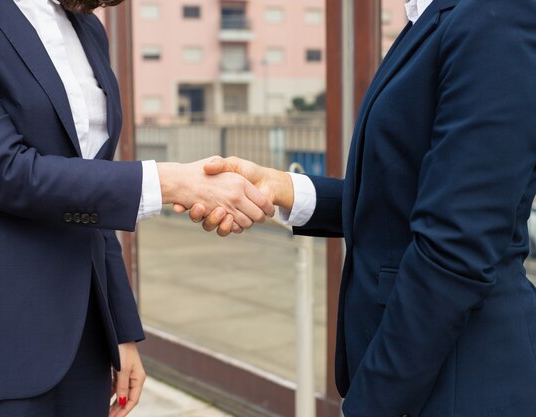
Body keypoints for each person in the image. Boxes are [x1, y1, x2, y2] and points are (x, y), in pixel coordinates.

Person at [0, 1, 273, 416]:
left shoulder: (87, 29)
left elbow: (90, 193)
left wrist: (119, 330)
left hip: (85, 343)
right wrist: (171, 182)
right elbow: (3, 170)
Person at [184, 0, 536, 415]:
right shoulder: (436, 17)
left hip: (459, 378)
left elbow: (457, 246)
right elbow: (407, 196)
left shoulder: (495, 16)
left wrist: (371, 404)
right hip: (425, 369)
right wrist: (282, 189)